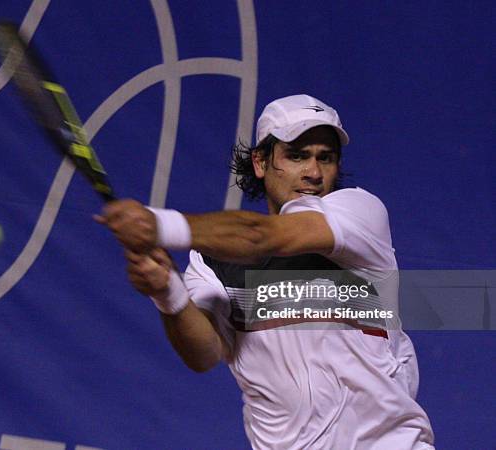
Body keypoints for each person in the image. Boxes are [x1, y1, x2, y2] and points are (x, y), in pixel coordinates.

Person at [97, 95, 435, 449]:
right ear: (260, 162)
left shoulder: (359, 214)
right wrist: (166, 290)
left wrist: (160, 225)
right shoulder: (213, 262)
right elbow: (203, 353)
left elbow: (260, 237)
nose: (314, 172)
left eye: (326, 158)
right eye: (297, 155)